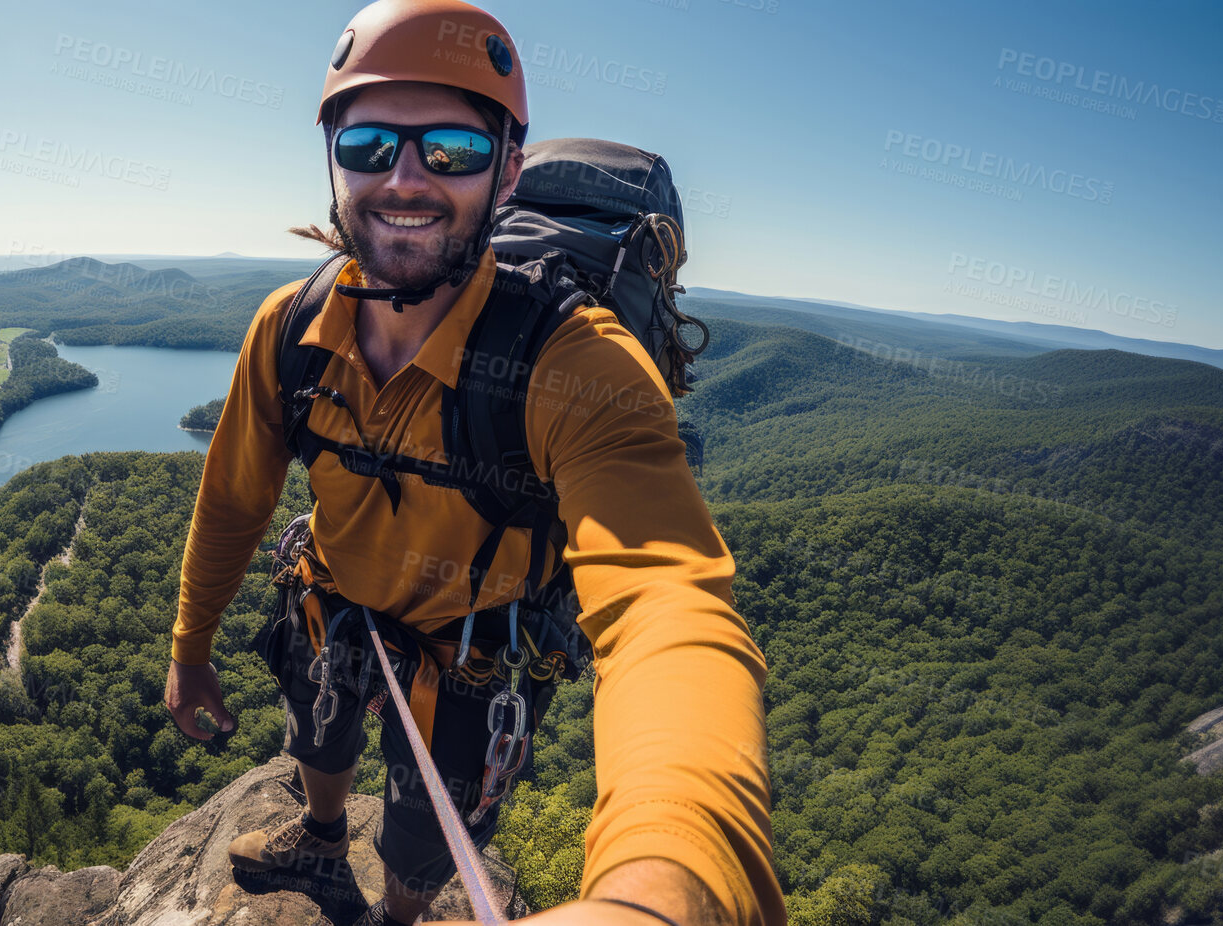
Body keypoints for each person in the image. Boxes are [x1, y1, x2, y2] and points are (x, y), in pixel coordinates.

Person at [161, 2, 783, 924]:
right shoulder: (290, 329)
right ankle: (322, 842)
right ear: (332, 158)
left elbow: (670, 608)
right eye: (369, 144)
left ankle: (398, 915)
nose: (405, 179)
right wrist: (190, 646)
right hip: (336, 596)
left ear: (508, 172)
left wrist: (667, 882)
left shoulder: (576, 365)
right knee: (318, 732)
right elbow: (233, 500)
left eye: (450, 148)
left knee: (424, 830)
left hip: (472, 651)